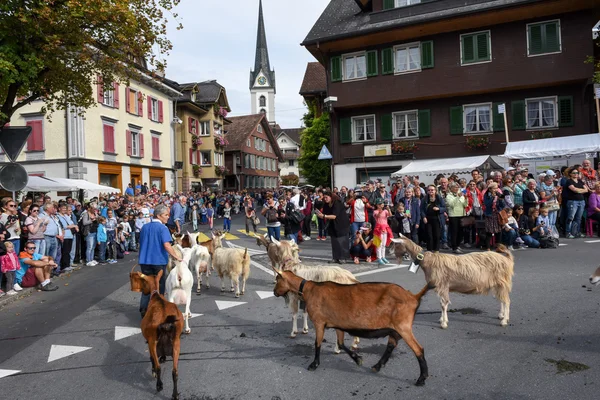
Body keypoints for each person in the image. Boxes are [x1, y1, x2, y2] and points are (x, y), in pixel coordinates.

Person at [138, 204, 182, 318]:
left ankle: (144, 309)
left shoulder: (145, 227)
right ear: (159, 215)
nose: (168, 217)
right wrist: (176, 256)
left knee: (147, 285)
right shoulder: (163, 228)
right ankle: (159, 309)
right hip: (158, 261)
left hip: (144, 261)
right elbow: (167, 245)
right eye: (166, 215)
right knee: (160, 286)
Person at [316, 191, 350, 264]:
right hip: (332, 225)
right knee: (334, 242)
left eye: (326, 197)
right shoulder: (325, 204)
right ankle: (335, 257)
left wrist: (324, 216)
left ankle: (343, 258)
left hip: (341, 224)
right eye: (324, 197)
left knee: (342, 242)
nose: (325, 199)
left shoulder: (337, 203)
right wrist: (321, 214)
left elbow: (334, 216)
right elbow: (325, 213)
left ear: (331, 197)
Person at [565, 168, 588, 239]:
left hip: (581, 201)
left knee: (579, 218)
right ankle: (568, 232)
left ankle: (576, 232)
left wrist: (579, 190)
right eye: (574, 173)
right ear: (570, 174)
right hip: (573, 201)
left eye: (577, 173)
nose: (576, 174)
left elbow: (586, 190)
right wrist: (581, 190)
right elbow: (574, 190)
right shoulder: (569, 181)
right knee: (571, 217)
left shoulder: (580, 181)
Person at [421, 185, 445, 253]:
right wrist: (424, 217)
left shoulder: (439, 198)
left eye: (432, 190)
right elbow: (422, 209)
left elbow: (444, 208)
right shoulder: (424, 199)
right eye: (429, 190)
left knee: (437, 235)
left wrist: (439, 209)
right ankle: (429, 250)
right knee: (429, 235)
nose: (430, 191)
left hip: (437, 219)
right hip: (428, 219)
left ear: (435, 191)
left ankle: (436, 250)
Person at [445, 182, 467, 253]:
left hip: (461, 214)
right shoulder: (449, 196)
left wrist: (466, 199)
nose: (456, 188)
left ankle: (457, 245)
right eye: (455, 187)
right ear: (451, 188)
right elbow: (452, 204)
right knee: (454, 232)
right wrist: (458, 197)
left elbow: (465, 205)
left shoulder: (461, 194)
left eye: (457, 187)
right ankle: (454, 247)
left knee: (461, 232)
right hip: (453, 215)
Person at [483, 182, 505, 251]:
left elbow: (502, 206)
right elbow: (487, 204)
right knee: (489, 231)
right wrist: (493, 198)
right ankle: (488, 247)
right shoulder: (487, 195)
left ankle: (498, 247)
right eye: (494, 188)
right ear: (490, 189)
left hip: (497, 214)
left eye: (496, 188)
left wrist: (500, 200)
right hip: (489, 214)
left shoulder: (498, 195)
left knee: (498, 231)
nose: (496, 190)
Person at [57, 204, 77, 273]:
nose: (64, 210)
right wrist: (73, 226)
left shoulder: (66, 216)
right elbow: (65, 226)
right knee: (64, 251)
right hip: (65, 235)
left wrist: (72, 225)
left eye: (65, 208)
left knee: (68, 251)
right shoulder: (58, 216)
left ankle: (68, 265)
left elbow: (71, 223)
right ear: (59, 208)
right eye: (63, 208)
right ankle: (64, 266)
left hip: (70, 235)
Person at [372, 198, 392, 265]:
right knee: (379, 245)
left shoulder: (385, 211)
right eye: (379, 204)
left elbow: (390, 215)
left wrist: (388, 209)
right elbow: (377, 216)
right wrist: (380, 210)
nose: (381, 205)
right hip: (378, 229)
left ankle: (383, 257)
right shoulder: (375, 211)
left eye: (382, 203)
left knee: (384, 244)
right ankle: (379, 258)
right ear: (377, 205)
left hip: (385, 228)